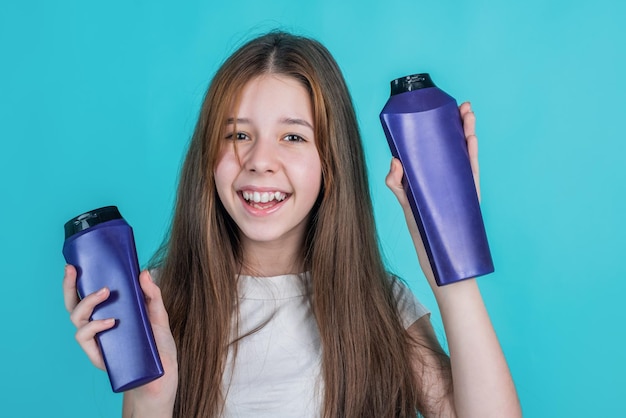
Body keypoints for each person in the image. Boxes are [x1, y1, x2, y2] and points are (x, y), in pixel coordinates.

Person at [63, 30, 521, 417]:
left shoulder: (379, 306)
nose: (261, 161)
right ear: (208, 157)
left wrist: (451, 260)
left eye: (293, 137)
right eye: (239, 134)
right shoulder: (158, 306)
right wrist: (150, 396)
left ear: (331, 160)